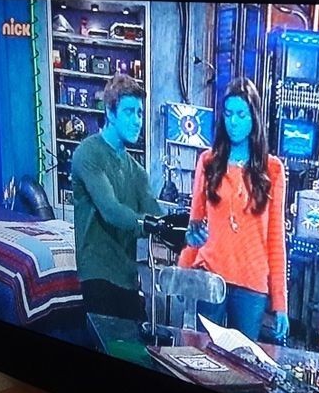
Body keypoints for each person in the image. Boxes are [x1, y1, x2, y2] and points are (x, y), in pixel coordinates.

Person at [178, 77, 289, 343]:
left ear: (254, 118)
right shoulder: (208, 162)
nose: (234, 122)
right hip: (210, 277)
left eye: (241, 115)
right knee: (204, 354)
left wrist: (280, 302)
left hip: (251, 283)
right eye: (228, 114)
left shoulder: (272, 170)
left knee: (243, 360)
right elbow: (196, 226)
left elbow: (275, 240)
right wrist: (182, 274)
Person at [71, 74, 161, 320]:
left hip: (128, 278)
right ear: (110, 113)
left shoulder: (137, 170)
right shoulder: (88, 153)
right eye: (129, 112)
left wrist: (186, 230)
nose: (137, 121)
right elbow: (111, 210)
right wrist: (151, 225)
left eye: (140, 113)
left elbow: (156, 213)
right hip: (98, 276)